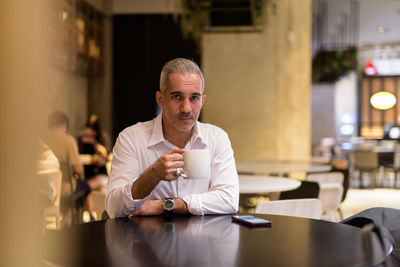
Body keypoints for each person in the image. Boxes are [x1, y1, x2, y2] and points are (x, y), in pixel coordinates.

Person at [106, 58, 239, 218]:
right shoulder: (132, 138)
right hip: (145, 240)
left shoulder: (216, 138)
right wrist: (152, 175)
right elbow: (114, 208)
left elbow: (229, 200)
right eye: (177, 97)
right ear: (160, 99)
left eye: (194, 98)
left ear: (202, 101)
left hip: (202, 240)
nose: (186, 108)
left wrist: (166, 205)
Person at [43, 111, 100, 226]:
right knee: (84, 187)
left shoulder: (41, 139)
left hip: (43, 188)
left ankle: (70, 217)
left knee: (82, 187)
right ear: (64, 125)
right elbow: (78, 168)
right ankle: (88, 217)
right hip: (64, 188)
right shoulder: (68, 140)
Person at [78, 114, 109, 219]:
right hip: (87, 176)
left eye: (92, 131)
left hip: (101, 176)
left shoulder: (101, 139)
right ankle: (90, 215)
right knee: (85, 187)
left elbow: (105, 155)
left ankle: (88, 215)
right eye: (87, 130)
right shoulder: (80, 140)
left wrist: (94, 142)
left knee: (83, 186)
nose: (89, 133)